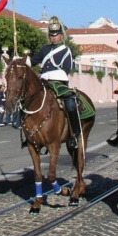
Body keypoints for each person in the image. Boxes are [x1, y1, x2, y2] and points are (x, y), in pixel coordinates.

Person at [29, 16, 82, 150]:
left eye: (56, 35)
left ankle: (74, 134)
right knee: (28, 99)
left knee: (70, 104)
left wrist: (52, 75)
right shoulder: (45, 49)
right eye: (51, 35)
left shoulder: (66, 50)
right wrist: (21, 60)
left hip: (59, 83)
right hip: (44, 82)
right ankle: (28, 134)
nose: (53, 37)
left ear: (61, 36)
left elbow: (67, 68)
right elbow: (33, 61)